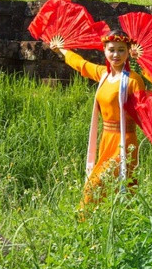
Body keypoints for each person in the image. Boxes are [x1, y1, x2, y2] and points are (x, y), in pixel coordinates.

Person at [50, 30, 146, 209]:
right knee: (115, 189)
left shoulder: (134, 80)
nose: (116, 55)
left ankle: (83, 221)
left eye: (121, 50)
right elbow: (82, 65)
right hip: (106, 137)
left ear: (128, 52)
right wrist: (61, 50)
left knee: (98, 186)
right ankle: (116, 226)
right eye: (111, 50)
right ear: (104, 51)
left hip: (124, 140)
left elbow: (144, 111)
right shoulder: (104, 74)